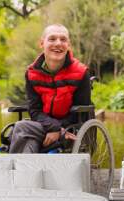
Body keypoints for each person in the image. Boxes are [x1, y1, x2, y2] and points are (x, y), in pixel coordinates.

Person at [9, 24, 91, 153]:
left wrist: (59, 130)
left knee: (22, 129)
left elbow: (81, 112)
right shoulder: (32, 73)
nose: (58, 43)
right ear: (42, 43)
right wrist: (53, 128)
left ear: (68, 45)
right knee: (23, 134)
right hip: (44, 127)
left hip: (72, 130)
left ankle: (19, 171)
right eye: (52, 39)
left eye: (63, 39)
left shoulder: (81, 73)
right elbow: (35, 110)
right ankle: (28, 171)